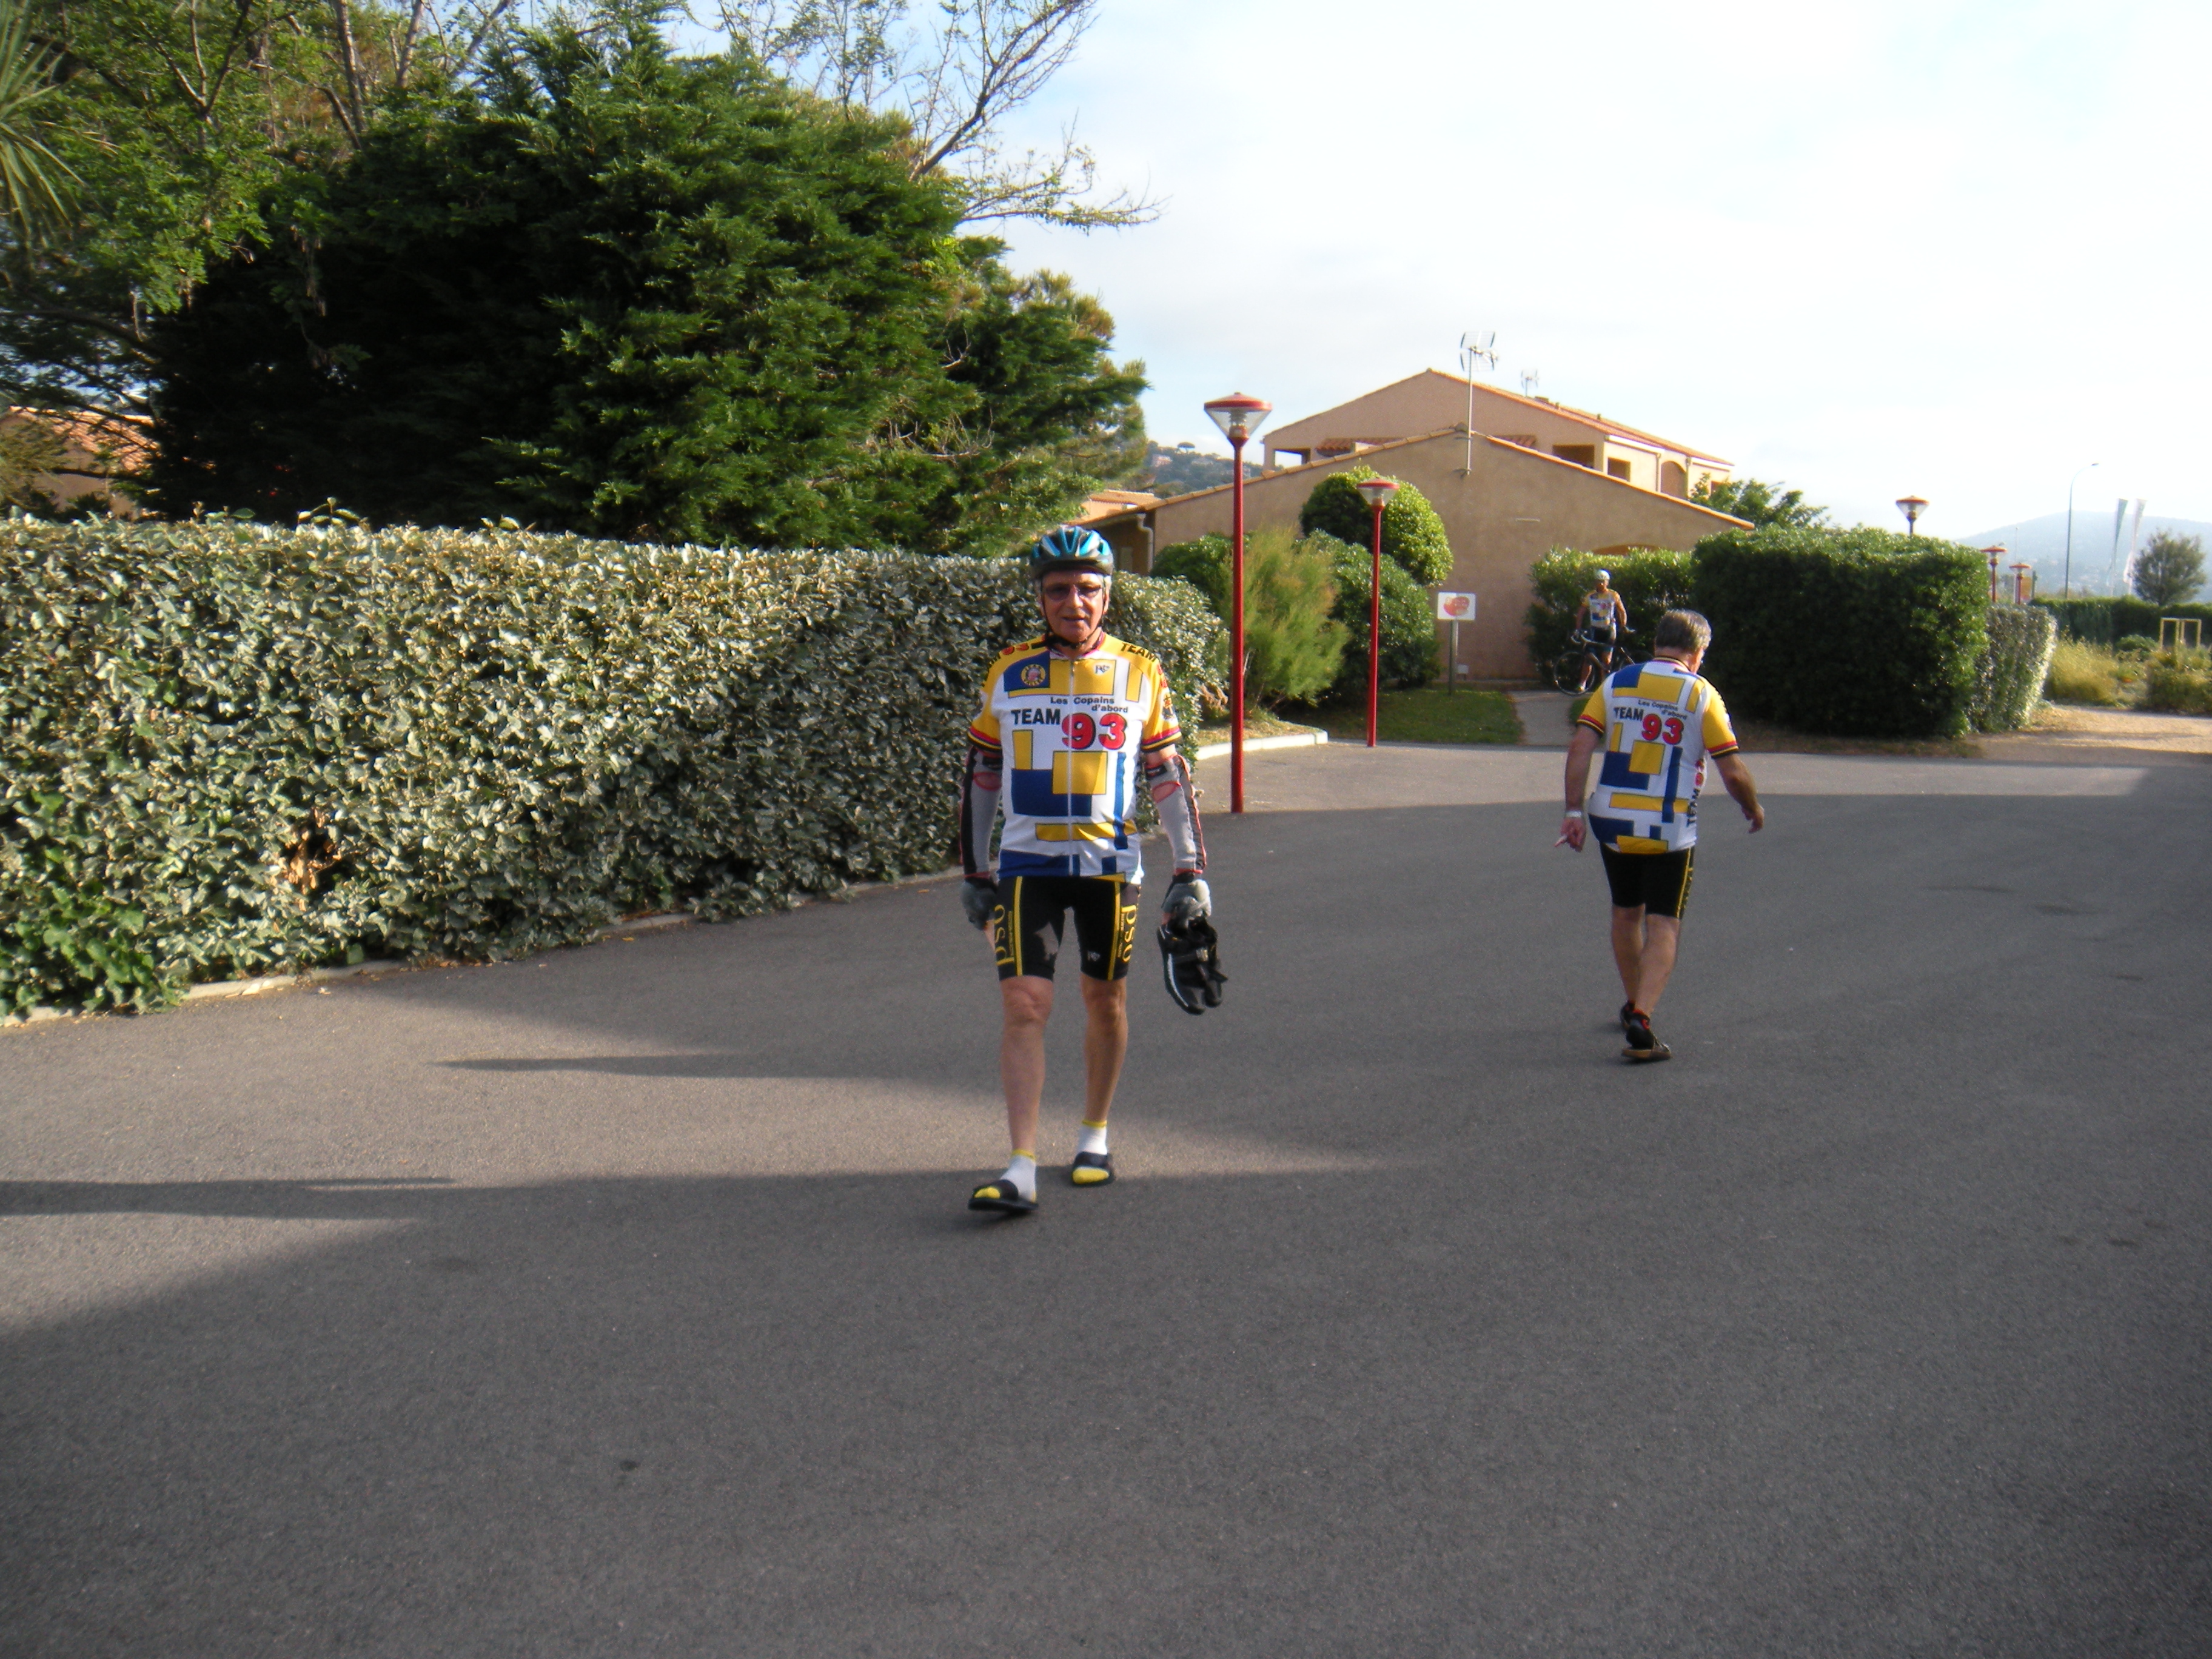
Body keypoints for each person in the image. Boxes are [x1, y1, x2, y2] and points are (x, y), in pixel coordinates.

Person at [957, 526, 1210, 1215]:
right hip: (1027, 865)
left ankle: (1094, 1135)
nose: (1074, 602)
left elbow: (1166, 772)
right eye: (1059, 590)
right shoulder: (1009, 671)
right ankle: (1020, 1167)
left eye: (1088, 589)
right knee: (1024, 1005)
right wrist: (975, 873)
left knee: (1106, 1000)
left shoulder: (1140, 670)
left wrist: (1189, 869)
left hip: (1109, 867)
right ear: (1040, 598)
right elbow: (983, 772)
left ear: (1107, 596)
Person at [1555, 608, 1763, 1062]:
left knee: (1625, 913)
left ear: (1656, 645)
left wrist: (1572, 810)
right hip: (1668, 825)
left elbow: (1580, 746)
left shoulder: (1616, 683)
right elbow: (1732, 770)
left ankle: (1633, 1003)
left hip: (1611, 817)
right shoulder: (1701, 693)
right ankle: (1643, 1019)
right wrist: (1752, 807)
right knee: (1664, 922)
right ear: (1698, 652)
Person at [1572, 570, 1629, 692]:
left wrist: (1623, 626)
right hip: (1594, 629)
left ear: (1607, 582)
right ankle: (1582, 684)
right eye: (1598, 581)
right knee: (1588, 657)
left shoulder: (1613, 595)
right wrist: (1578, 628)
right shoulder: (1590, 596)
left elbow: (1621, 611)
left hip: (1609, 630)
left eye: (1603, 582)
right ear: (1595, 582)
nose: (1601, 584)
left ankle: (1604, 687)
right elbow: (1581, 612)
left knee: (1606, 660)